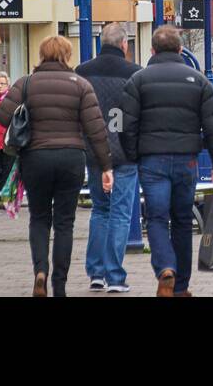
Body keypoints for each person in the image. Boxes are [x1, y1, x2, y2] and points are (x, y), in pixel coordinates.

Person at [0, 34, 111, 298]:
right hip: (71, 158)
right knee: (64, 223)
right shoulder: (80, 85)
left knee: (38, 218)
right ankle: (60, 285)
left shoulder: (26, 83)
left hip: (35, 158)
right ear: (67, 56)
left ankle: (40, 272)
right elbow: (96, 130)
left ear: (42, 55)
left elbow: (1, 116)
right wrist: (106, 166)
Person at [120, 25, 213, 298]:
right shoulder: (199, 80)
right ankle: (180, 286)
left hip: (152, 160)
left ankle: (165, 267)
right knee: (182, 220)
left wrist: (132, 155)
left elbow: (126, 124)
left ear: (152, 50)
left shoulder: (138, 80)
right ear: (181, 50)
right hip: (187, 161)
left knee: (157, 218)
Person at [75, 23, 140, 294]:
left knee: (100, 210)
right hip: (125, 153)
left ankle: (96, 272)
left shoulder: (82, 72)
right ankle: (115, 276)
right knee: (121, 213)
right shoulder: (135, 74)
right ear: (124, 44)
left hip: (94, 151)